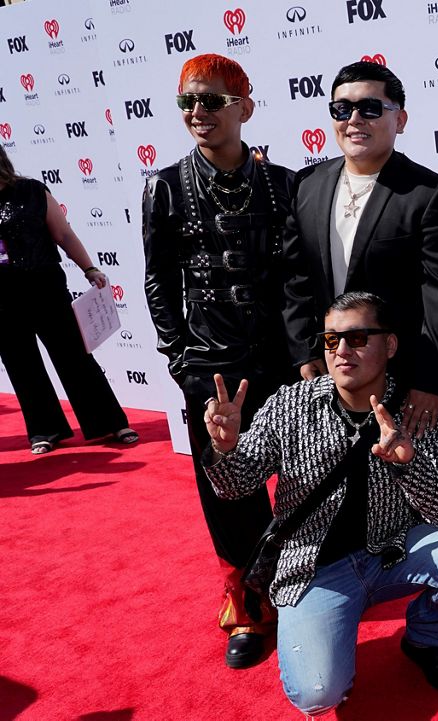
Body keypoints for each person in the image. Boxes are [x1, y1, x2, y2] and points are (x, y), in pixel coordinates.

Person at [202, 291, 438, 716]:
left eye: (356, 338)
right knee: (318, 694)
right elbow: (234, 486)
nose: (342, 351)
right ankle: (331, 629)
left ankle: (426, 639)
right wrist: (224, 449)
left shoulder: (417, 412)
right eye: (331, 341)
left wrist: (409, 464)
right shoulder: (290, 405)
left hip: (390, 552)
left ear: (389, 345)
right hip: (313, 571)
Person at [142, 53, 295, 669]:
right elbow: (158, 283)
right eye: (187, 102)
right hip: (209, 365)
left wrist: (307, 354)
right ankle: (250, 604)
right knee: (227, 489)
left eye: (210, 101)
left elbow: (298, 278)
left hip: (282, 361)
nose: (197, 113)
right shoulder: (165, 186)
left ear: (245, 108)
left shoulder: (283, 183)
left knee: (304, 473)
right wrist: (182, 361)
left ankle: (304, 582)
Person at [282, 61, 438, 438]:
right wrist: (307, 351)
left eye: (369, 108)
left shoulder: (431, 196)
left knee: (412, 493)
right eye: (341, 109)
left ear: (399, 120)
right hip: (331, 373)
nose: (353, 119)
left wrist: (430, 382)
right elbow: (295, 279)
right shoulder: (307, 185)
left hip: (408, 383)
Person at [0, 146, 137, 454]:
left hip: (45, 286)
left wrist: (88, 267)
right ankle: (45, 430)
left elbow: (63, 234)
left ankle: (109, 422)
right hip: (2, 298)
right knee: (22, 365)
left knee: (74, 356)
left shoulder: (32, 191)